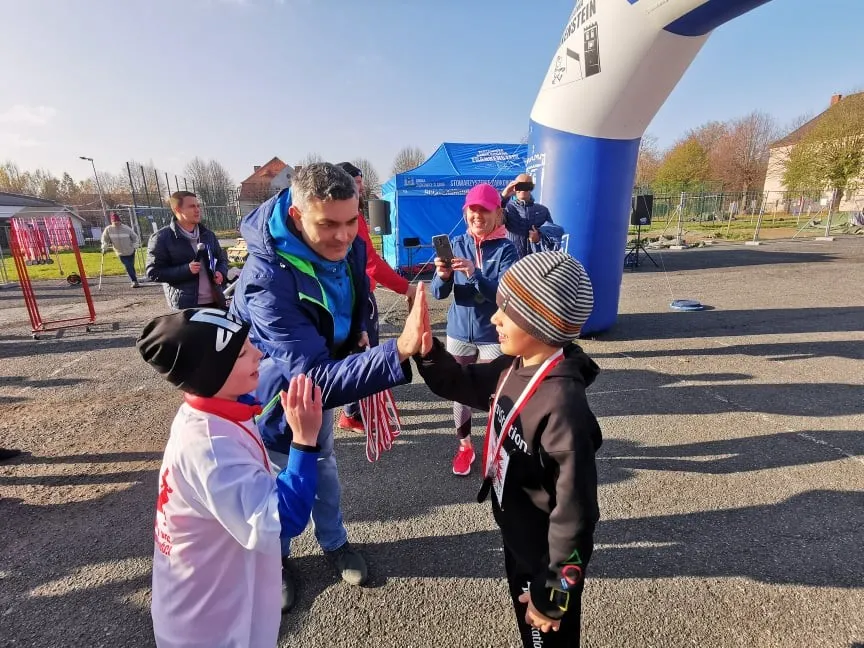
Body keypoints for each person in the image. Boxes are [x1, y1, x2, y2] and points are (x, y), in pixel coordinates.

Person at [229, 162, 430, 612]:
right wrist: (397, 351)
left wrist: (360, 333)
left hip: (319, 387)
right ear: (297, 215)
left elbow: (358, 296)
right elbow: (312, 377)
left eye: (351, 221)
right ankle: (275, 560)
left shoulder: (350, 239)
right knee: (274, 479)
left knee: (323, 469)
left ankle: (334, 542)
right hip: (273, 399)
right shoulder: (267, 279)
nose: (343, 236)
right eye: (328, 225)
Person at [415, 251, 601, 648]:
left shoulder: (563, 409)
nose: (494, 319)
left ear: (542, 323)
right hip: (517, 530)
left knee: (544, 638)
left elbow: (577, 516)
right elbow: (461, 382)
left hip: (545, 556)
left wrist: (554, 596)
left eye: (506, 311)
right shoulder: (514, 366)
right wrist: (427, 352)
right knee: (526, 627)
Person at [136, 307, 323, 648]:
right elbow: (281, 519)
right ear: (210, 372)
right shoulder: (211, 447)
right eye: (241, 353)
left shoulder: (214, 408)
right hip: (209, 623)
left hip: (218, 595)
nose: (258, 353)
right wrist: (304, 440)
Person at [431, 183, 518, 476]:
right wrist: (443, 276)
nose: (477, 215)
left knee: (497, 395)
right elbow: (438, 293)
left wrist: (474, 273)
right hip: (458, 333)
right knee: (460, 393)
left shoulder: (506, 249)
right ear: (465, 213)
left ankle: (496, 447)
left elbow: (504, 295)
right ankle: (465, 446)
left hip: (493, 333)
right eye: (473, 210)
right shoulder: (456, 244)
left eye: (485, 210)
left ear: (497, 214)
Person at [335, 161, 413, 433]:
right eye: (356, 184)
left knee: (356, 352)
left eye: (361, 183)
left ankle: (354, 410)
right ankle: (353, 413)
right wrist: (405, 287)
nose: (362, 188)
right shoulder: (350, 216)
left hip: (348, 294)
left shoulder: (348, 214)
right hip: (355, 297)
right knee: (363, 354)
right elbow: (371, 262)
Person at [146, 191, 227, 310]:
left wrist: (221, 272)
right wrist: (186, 270)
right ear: (177, 209)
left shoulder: (208, 235)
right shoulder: (161, 238)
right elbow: (153, 272)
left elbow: (221, 259)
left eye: (198, 206)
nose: (197, 210)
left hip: (216, 301)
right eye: (192, 206)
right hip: (186, 306)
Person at [500, 173, 554, 258]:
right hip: (513, 261)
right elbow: (493, 219)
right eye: (520, 186)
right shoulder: (507, 209)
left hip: (535, 262)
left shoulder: (543, 210)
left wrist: (538, 239)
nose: (523, 190)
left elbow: (552, 239)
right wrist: (503, 197)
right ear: (514, 187)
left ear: (531, 188)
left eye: (527, 186)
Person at [101, 212, 141, 287]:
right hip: (120, 252)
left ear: (120, 221)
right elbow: (105, 240)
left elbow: (135, 237)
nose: (116, 223)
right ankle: (134, 281)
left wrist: (135, 245)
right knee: (128, 266)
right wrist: (104, 247)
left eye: (117, 221)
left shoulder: (126, 228)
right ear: (112, 222)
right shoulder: (108, 229)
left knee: (131, 266)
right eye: (114, 222)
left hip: (130, 250)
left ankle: (134, 279)